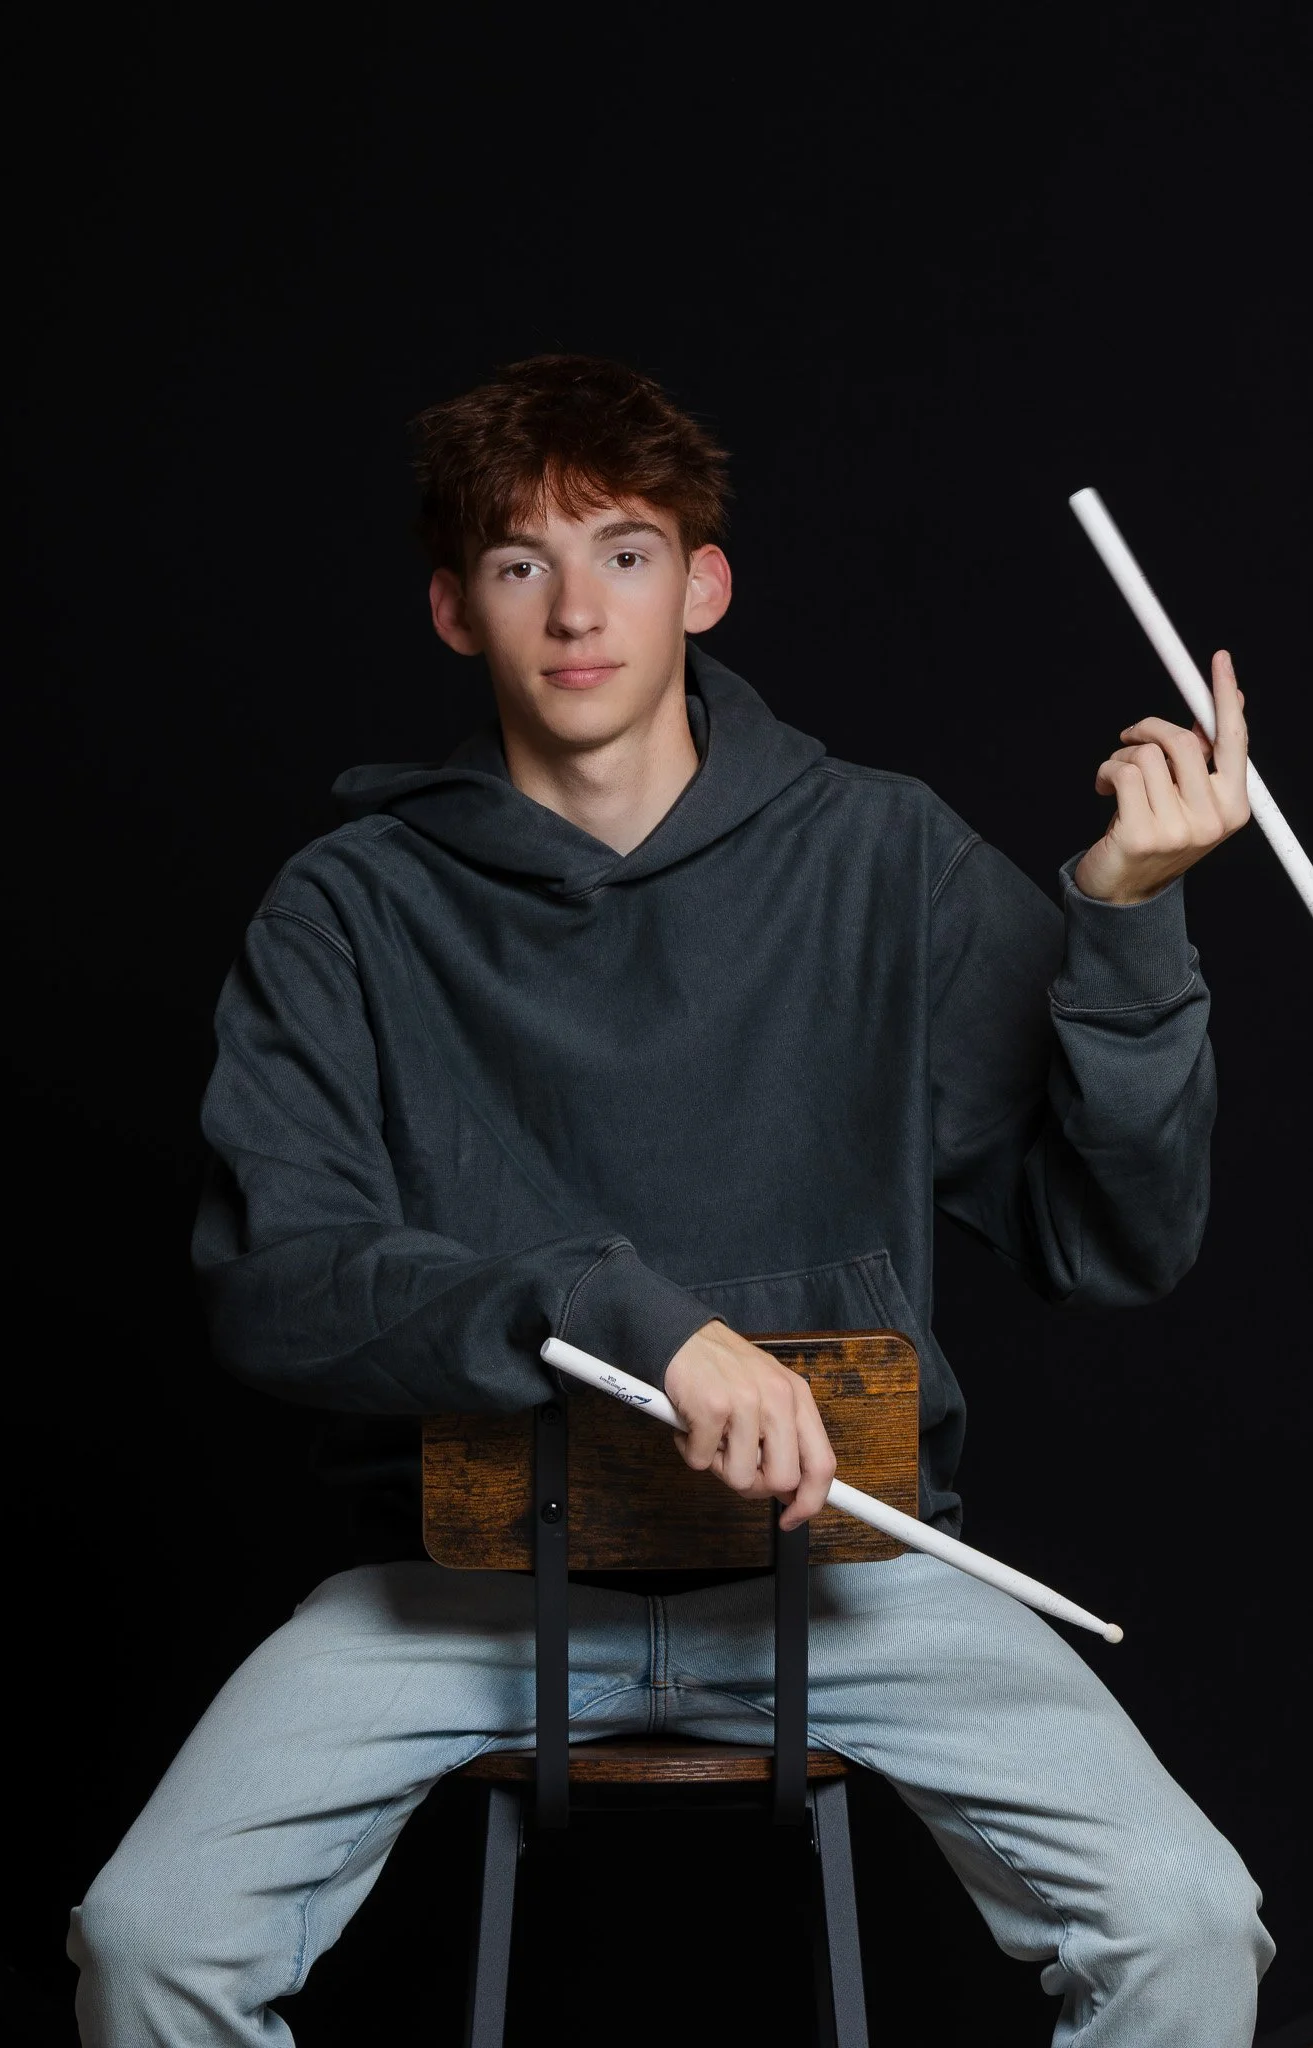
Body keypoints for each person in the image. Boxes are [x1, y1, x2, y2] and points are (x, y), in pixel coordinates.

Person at [69, 353, 1273, 2045]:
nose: (576, 609)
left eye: (624, 552)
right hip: (465, 1592)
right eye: (518, 563)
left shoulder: (879, 855)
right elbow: (278, 1279)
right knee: (148, 1941)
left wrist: (1128, 921)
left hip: (848, 1579)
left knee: (1190, 1924)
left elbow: (1116, 1239)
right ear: (450, 609)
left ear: (702, 584)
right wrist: (615, 1313)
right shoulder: (346, 911)